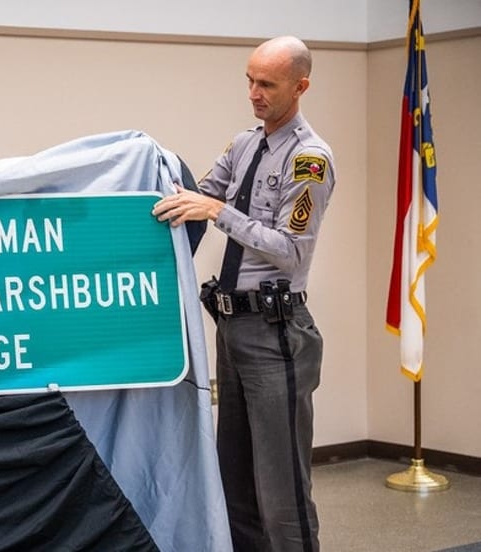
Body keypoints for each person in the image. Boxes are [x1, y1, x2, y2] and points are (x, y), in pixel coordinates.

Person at [153, 36, 335, 551]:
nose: (254, 93)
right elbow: (195, 195)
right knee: (234, 482)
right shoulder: (244, 144)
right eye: (250, 80)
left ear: (300, 87)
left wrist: (219, 214)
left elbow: (291, 251)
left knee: (283, 494)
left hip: (276, 335)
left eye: (267, 84)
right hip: (232, 328)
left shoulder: (309, 160)